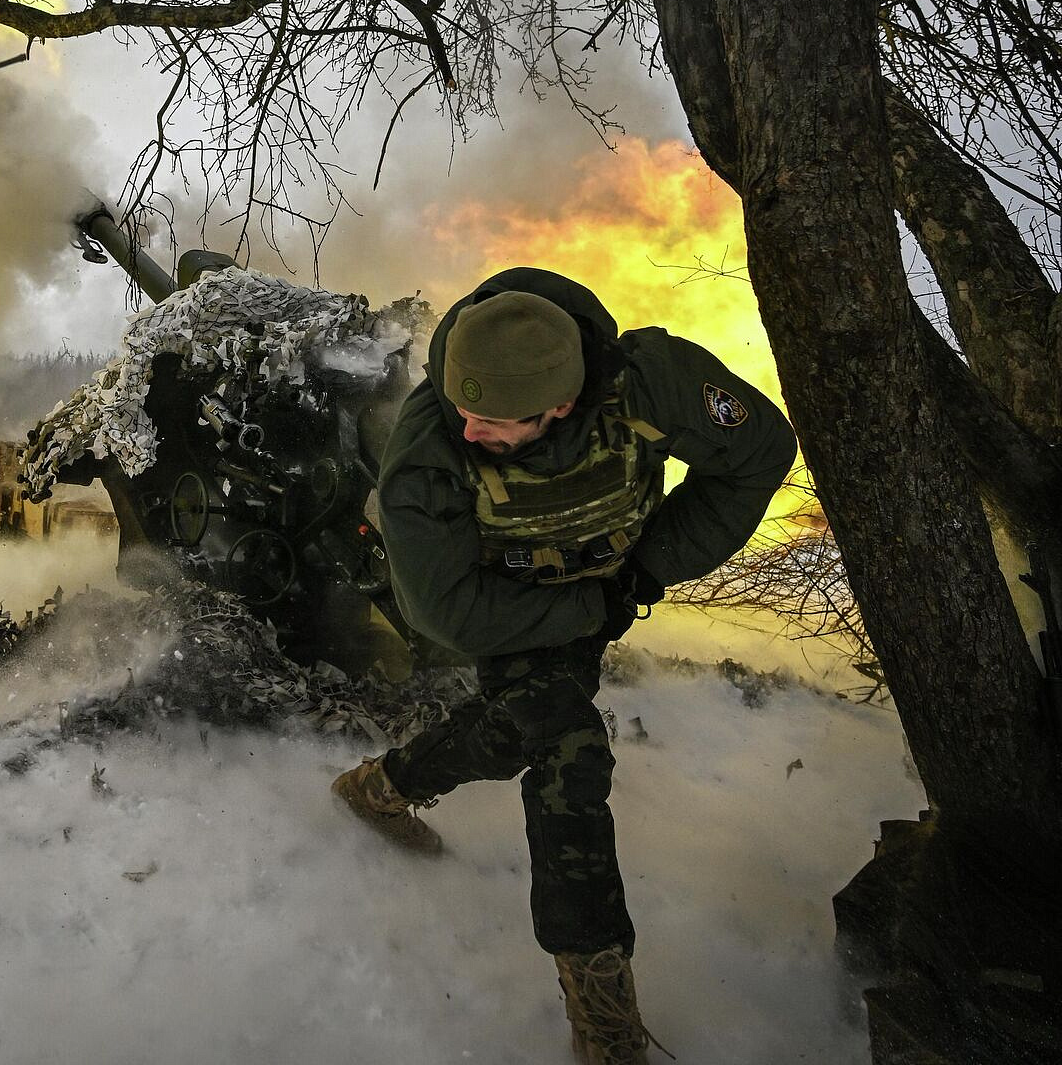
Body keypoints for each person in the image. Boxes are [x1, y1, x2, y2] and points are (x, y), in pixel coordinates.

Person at [332, 267, 797, 1064]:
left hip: (606, 587)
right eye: (463, 410)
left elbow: (758, 451)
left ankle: (383, 785)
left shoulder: (648, 383)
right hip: (506, 612)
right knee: (567, 744)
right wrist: (594, 605)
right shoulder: (429, 453)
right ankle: (603, 1010)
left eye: (492, 421)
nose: (468, 431)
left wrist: (647, 569)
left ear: (558, 405)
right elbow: (446, 614)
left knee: (516, 730)